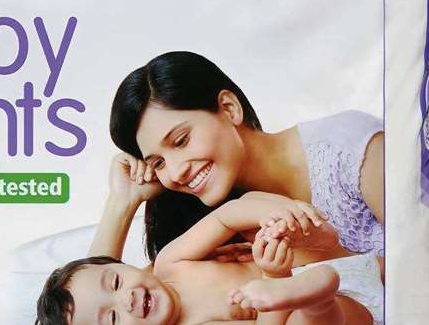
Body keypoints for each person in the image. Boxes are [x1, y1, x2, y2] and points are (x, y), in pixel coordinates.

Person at [34, 164, 381, 325]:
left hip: (328, 262)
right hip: (332, 309)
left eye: (115, 282)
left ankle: (313, 286)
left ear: (124, 265)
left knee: (250, 203)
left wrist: (272, 217)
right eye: (112, 319)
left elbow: (225, 217)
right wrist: (275, 278)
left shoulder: (170, 262)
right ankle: (316, 298)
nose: (127, 300)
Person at [109, 51, 383, 262]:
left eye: (181, 141)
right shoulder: (219, 225)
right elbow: (98, 306)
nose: (176, 172)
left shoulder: (348, 147)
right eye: (158, 163)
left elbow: (409, 267)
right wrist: (121, 203)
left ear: (229, 108)